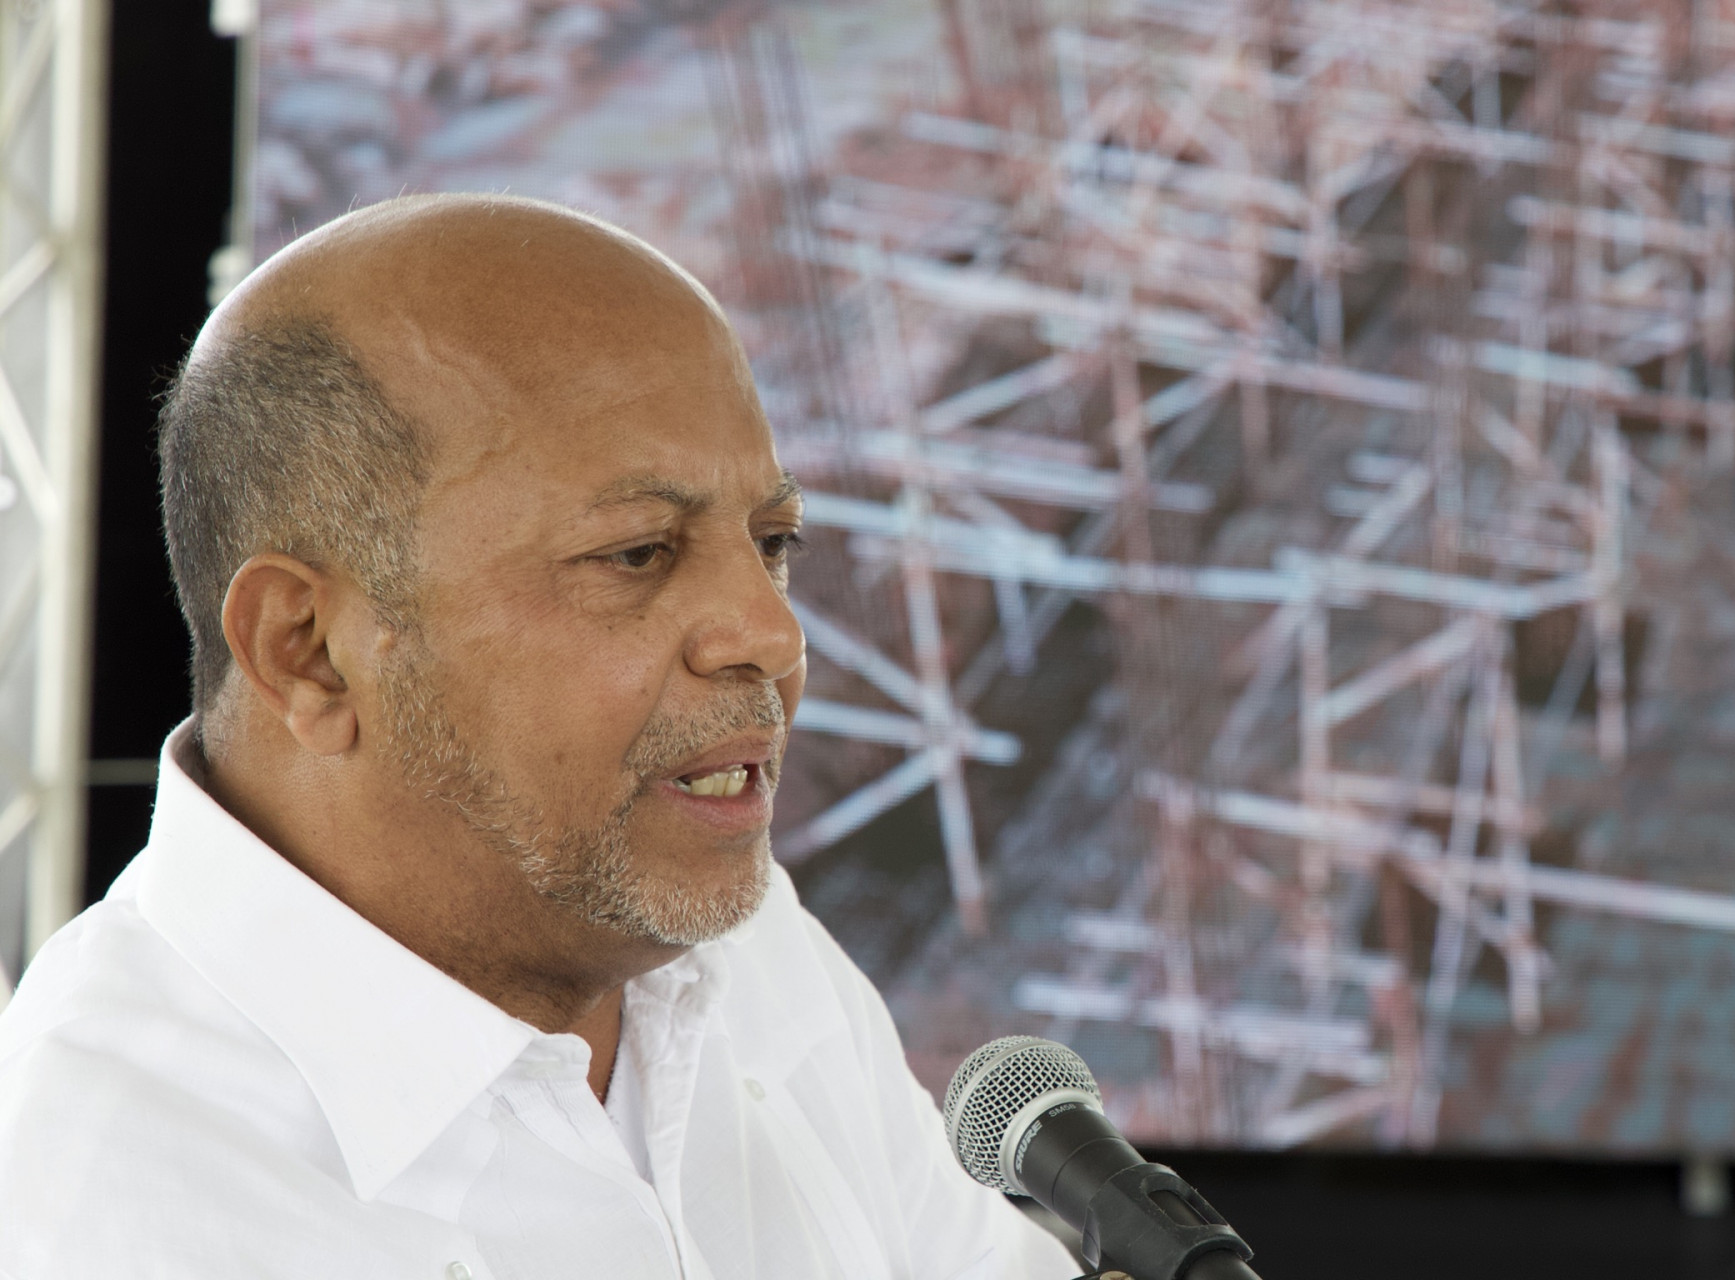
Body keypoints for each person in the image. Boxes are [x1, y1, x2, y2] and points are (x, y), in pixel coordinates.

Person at [0, 194, 1076, 1279]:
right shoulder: (96, 1205)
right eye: (638, 553)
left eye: (772, 541)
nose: (771, 635)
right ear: (309, 651)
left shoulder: (739, 950)